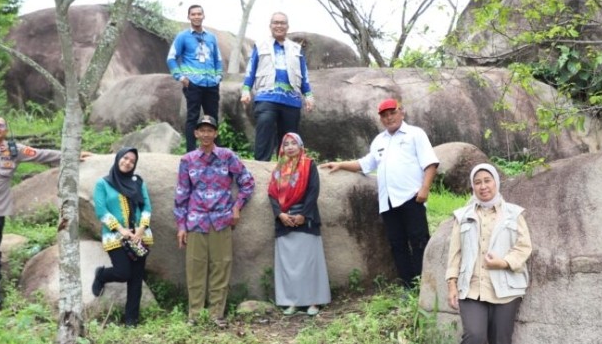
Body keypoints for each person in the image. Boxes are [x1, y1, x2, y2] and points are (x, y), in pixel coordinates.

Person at [0, 116, 91, 308]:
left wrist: (71, 155)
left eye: (2, 125)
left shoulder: (14, 150)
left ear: (6, 130)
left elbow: (42, 155)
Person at [445, 163, 532, 344]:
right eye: (478, 182)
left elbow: (524, 247)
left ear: (496, 183)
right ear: (473, 187)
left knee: (501, 340)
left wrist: (503, 262)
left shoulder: (513, 214)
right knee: (474, 335)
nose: (483, 186)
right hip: (471, 288)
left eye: (487, 181)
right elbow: (455, 254)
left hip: (505, 288)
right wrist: (451, 284)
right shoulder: (462, 216)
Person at [320, 99, 438, 289]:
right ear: (381, 118)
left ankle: (426, 286)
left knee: (419, 241)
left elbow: (430, 163)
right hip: (388, 202)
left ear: (402, 112)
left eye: (392, 113)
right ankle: (409, 287)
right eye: (384, 115)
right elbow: (365, 164)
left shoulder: (415, 134)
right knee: (397, 245)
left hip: (411, 197)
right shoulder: (379, 141)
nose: (389, 117)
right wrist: (341, 164)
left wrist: (425, 189)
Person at [174, 114, 255, 325]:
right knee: (195, 267)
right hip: (196, 221)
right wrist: (181, 226)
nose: (206, 134)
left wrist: (237, 207)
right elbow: (182, 194)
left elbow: (247, 182)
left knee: (221, 266)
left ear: (216, 133)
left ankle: (216, 314)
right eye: (202, 130)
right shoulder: (187, 160)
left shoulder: (227, 156)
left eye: (210, 130)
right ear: (196, 133)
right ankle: (195, 315)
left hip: (221, 219)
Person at [268, 133, 331, 316]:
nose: (289, 147)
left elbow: (313, 190)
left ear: (301, 146)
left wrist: (304, 214)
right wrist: (280, 214)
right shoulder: (279, 169)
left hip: (306, 219)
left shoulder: (309, 165)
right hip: (285, 220)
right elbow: (272, 194)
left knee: (309, 263)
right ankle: (292, 302)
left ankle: (313, 301)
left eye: (293, 143)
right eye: (286, 144)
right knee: (289, 264)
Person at [240, 12, 315, 161]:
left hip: (291, 99)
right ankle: (261, 165)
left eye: (282, 23)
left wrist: (308, 95)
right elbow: (251, 69)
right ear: (270, 26)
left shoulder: (296, 48)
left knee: (289, 138)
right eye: (276, 22)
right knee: (265, 124)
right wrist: (246, 90)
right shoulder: (260, 45)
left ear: (287, 27)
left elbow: (304, 73)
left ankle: (288, 169)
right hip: (266, 96)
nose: (279, 26)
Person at [91, 148, 153, 326]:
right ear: (118, 158)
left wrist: (141, 228)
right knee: (123, 272)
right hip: (116, 236)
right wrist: (121, 229)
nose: (127, 162)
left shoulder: (138, 182)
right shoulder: (103, 184)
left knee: (136, 278)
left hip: (139, 236)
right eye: (125, 158)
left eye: (132, 161)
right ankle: (102, 275)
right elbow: (101, 211)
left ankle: (131, 320)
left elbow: (147, 207)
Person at [167, 4, 223, 152]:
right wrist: (180, 77)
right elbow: (171, 58)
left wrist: (218, 76)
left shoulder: (211, 37)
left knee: (213, 117)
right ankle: (191, 152)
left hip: (211, 83)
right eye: (193, 14)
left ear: (203, 16)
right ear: (189, 17)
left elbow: (218, 59)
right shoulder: (183, 36)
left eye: (199, 14)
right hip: (193, 83)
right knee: (192, 117)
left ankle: (215, 151)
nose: (197, 16)